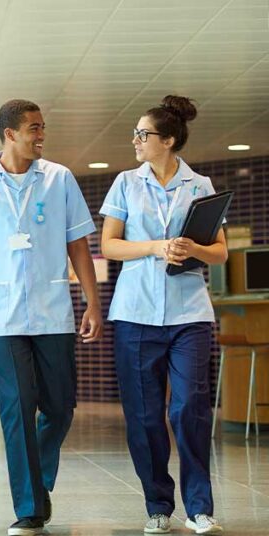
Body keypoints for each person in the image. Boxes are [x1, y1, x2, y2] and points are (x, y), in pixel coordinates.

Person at [0, 99, 102, 536]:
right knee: (16, 408)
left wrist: (92, 301)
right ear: (9, 133)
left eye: (42, 128)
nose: (41, 135)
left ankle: (37, 480)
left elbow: (78, 244)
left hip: (54, 312)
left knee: (59, 408)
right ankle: (30, 506)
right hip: (1, 317)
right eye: (33, 128)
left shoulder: (60, 179)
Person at [99, 95, 226, 535]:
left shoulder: (201, 185)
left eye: (143, 134)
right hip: (135, 313)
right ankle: (157, 504)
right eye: (135, 133)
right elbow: (110, 245)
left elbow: (221, 252)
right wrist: (155, 247)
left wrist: (193, 249)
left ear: (168, 140)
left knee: (190, 407)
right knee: (146, 414)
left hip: (190, 313)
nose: (135, 140)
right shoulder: (125, 184)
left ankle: (199, 507)